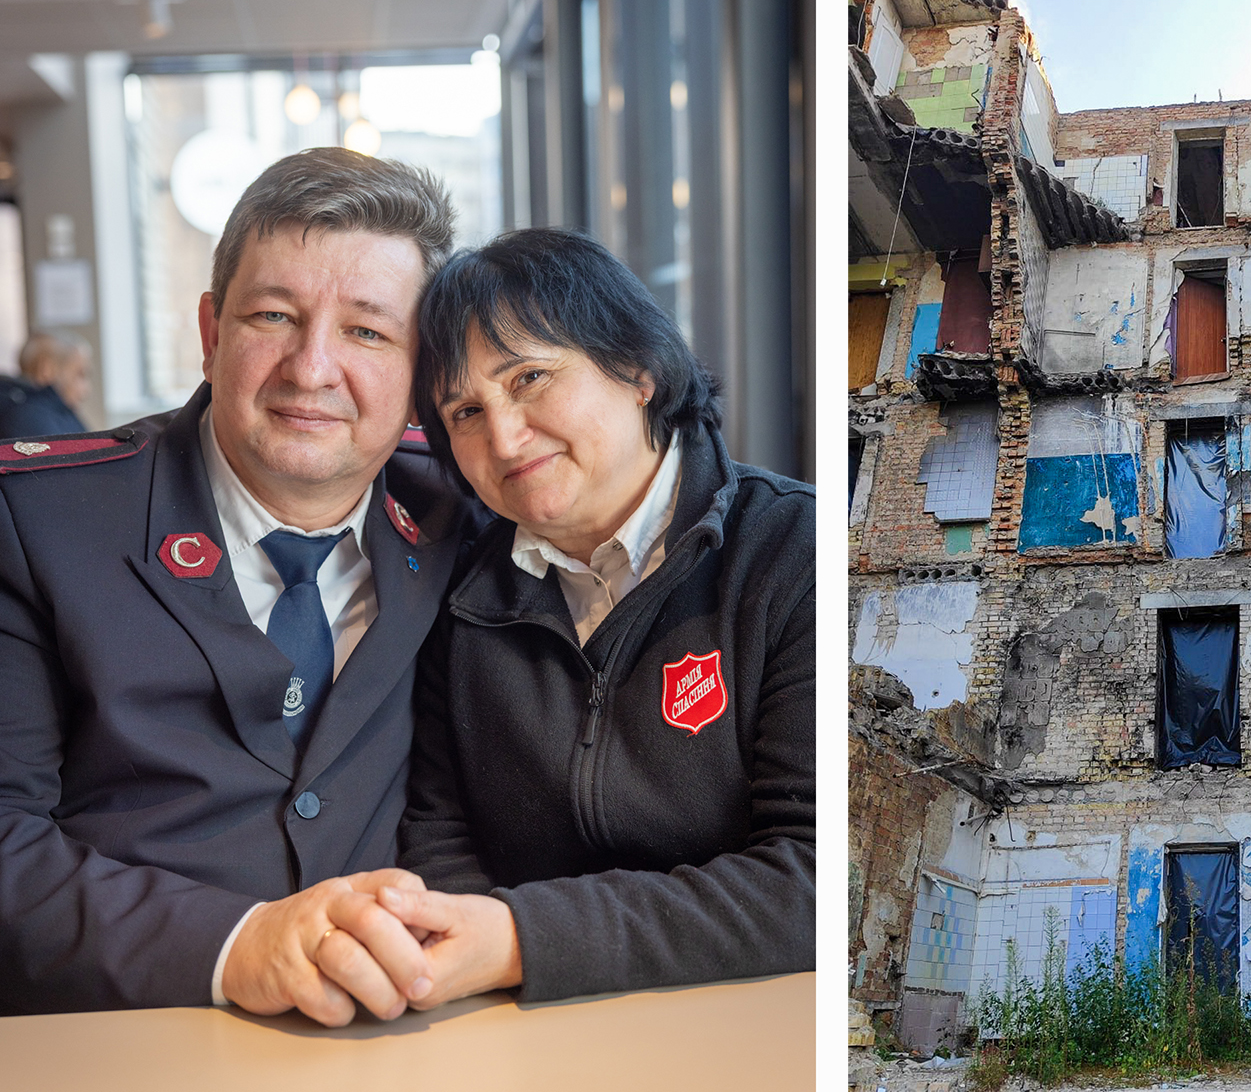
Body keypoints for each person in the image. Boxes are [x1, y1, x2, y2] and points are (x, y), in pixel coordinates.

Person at [0, 147, 485, 1024]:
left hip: (400, 1036)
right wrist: (235, 945)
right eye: (274, 316)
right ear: (212, 334)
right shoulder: (36, 524)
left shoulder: (468, 514)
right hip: (115, 1035)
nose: (311, 369)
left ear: (423, 373)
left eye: (368, 332)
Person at [383, 228, 815, 1005]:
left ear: (638, 368)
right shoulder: (458, 594)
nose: (505, 437)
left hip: (748, 1018)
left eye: (530, 379)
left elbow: (808, 879)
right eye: (465, 412)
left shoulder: (793, 553)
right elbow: (437, 834)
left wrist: (525, 939)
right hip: (517, 1023)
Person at [0, 331, 92, 438]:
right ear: (47, 369)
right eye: (80, 374)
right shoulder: (31, 418)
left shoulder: (57, 412)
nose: (86, 390)